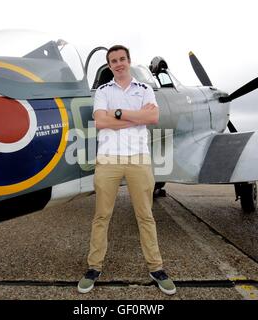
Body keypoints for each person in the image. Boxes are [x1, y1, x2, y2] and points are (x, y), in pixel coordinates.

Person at [77, 45, 176, 295]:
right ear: (109, 65)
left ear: (128, 61)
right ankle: (94, 267)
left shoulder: (144, 89)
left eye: (122, 59)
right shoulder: (102, 91)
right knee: (102, 216)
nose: (118, 63)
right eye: (113, 60)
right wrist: (136, 117)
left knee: (145, 216)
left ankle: (156, 267)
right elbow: (100, 121)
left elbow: (152, 118)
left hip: (138, 159)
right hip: (108, 159)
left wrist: (118, 114)